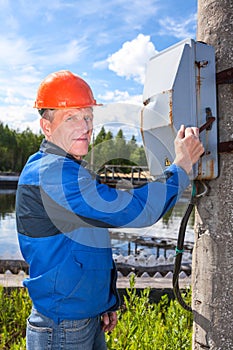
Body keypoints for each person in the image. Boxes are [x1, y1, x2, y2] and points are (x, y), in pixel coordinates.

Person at [16, 70, 204, 350]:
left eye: (88, 117)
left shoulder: (67, 168)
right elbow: (137, 209)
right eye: (72, 117)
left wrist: (105, 301)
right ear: (47, 127)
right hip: (62, 327)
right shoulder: (52, 174)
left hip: (82, 316)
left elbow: (89, 243)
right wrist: (181, 166)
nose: (85, 126)